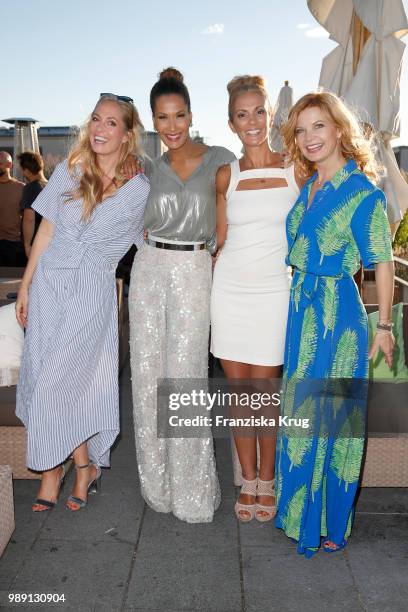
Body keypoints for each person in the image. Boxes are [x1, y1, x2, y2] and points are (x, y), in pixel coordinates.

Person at [15, 94, 149, 512]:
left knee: (64, 380)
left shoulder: (140, 187)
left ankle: (57, 472)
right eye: (95, 119)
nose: (99, 129)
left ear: (127, 134)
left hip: (92, 291)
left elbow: (151, 244)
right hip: (50, 285)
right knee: (47, 378)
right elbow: (46, 233)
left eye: (111, 123)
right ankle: (79, 466)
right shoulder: (69, 172)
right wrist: (25, 285)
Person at [274, 92, 394, 556]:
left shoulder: (362, 192)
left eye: (318, 126)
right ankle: (302, 513)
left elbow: (381, 262)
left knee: (335, 422)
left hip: (338, 318)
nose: (309, 138)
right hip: (302, 312)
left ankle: (331, 523)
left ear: (340, 129)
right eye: (301, 130)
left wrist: (383, 326)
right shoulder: (309, 188)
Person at [129, 67, 235, 523]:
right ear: (153, 120)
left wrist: (215, 262)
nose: (171, 126)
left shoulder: (219, 159)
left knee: (186, 378)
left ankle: (193, 491)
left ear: (191, 115)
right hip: (149, 268)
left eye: (178, 116)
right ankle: (157, 487)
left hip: (194, 268)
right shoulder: (148, 167)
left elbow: (226, 223)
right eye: (161, 118)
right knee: (148, 378)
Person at [210, 75, 300, 522]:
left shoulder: (294, 168)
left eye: (259, 111)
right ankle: (249, 481)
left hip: (273, 293)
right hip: (229, 291)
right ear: (231, 123)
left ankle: (270, 478)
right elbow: (219, 240)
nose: (252, 121)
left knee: (265, 394)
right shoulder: (226, 174)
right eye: (242, 114)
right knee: (240, 396)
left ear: (271, 114)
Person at [18, 151, 47, 257]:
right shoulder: (51, 186)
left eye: (21, 169)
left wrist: (27, 245)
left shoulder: (31, 188)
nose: (21, 172)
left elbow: (29, 218)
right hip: (51, 243)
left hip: (37, 243)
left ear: (26, 170)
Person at [0, 151, 25, 266]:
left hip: (14, 245)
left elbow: (28, 218)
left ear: (9, 165)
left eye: (0, 163)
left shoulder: (21, 188)